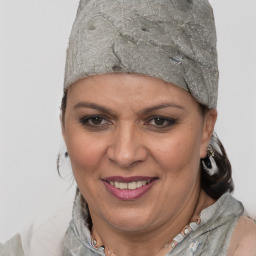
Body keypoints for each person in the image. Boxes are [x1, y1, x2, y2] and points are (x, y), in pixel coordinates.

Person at [1, 0, 256, 255]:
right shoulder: (34, 247)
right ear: (65, 127)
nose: (125, 154)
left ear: (205, 130)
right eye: (96, 120)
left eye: (159, 121)